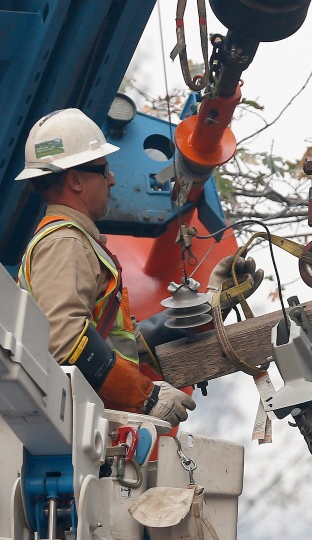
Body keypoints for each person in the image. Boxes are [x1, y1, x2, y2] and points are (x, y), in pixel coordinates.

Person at [14, 108, 195, 425]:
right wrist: (146, 396)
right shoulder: (65, 243)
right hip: (73, 422)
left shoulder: (76, 242)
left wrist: (207, 305)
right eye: (103, 170)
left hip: (86, 417)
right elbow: (64, 341)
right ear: (75, 179)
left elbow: (120, 339)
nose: (112, 179)